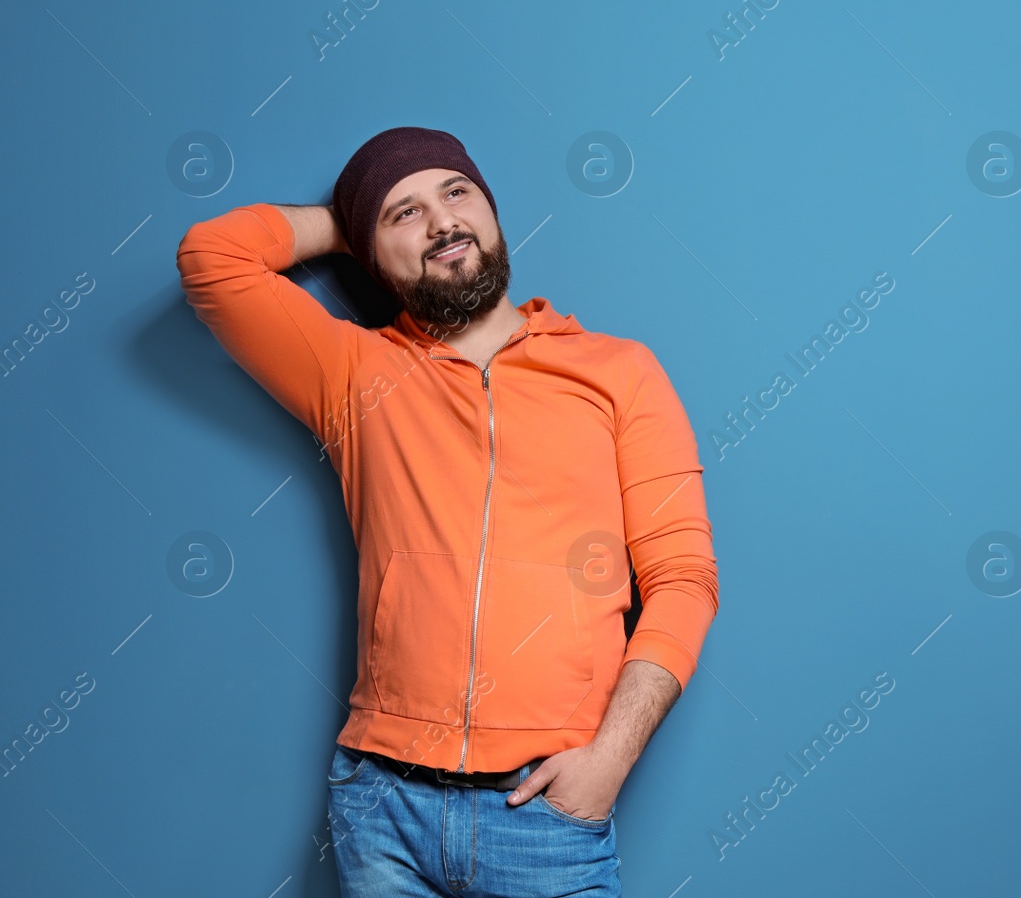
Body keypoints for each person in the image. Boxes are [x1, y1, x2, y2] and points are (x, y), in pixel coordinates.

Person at [176, 126, 719, 897]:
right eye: (403, 213)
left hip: (547, 811)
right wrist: (348, 216)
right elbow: (211, 258)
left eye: (456, 193)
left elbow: (684, 578)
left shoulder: (617, 372)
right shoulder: (355, 373)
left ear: (492, 213)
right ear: (371, 253)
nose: (441, 222)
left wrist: (611, 759)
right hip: (383, 805)